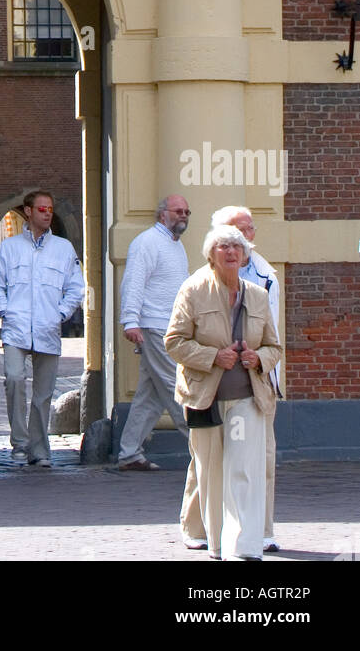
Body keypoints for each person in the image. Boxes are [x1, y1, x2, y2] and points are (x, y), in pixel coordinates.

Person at [165, 225, 282, 561]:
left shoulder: (257, 295)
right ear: (211, 255)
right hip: (206, 399)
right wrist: (213, 356)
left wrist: (257, 357)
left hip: (248, 398)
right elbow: (174, 341)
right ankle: (217, 545)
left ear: (244, 255)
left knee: (244, 469)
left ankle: (244, 547)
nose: (231, 252)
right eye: (223, 246)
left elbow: (274, 346)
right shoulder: (193, 290)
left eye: (237, 247)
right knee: (212, 473)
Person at [0, 190, 85, 467]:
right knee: (14, 379)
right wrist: (5, 310)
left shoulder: (63, 248)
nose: (47, 213)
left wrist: (62, 313)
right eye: (42, 209)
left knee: (43, 394)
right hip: (16, 328)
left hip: (48, 328)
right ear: (28, 211)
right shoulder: (10, 247)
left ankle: (39, 449)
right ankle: (19, 441)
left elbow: (76, 286)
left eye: (50, 209)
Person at [116, 194, 192, 472]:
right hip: (154, 326)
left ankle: (129, 453)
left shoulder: (176, 246)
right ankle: (206, 448)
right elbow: (133, 282)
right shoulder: (147, 242)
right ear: (162, 215)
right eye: (178, 211)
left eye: (186, 211)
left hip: (170, 327)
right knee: (177, 389)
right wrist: (130, 321)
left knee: (150, 396)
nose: (183, 215)